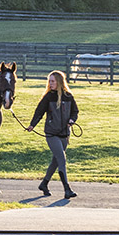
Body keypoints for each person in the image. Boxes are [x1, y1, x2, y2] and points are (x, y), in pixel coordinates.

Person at [25, 70, 79, 198]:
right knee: (61, 159)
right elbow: (39, 112)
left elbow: (75, 112)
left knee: (56, 161)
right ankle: (67, 189)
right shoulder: (48, 97)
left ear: (59, 81)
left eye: (53, 81)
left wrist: (72, 120)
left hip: (65, 134)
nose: (50, 83)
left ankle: (44, 184)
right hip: (51, 133)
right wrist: (32, 125)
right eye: (49, 81)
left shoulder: (68, 96)